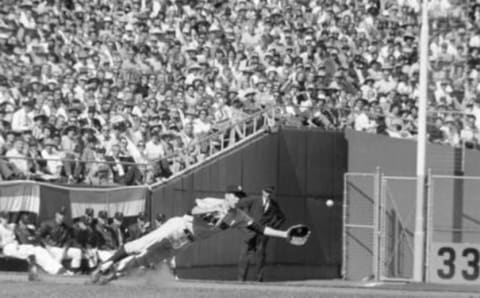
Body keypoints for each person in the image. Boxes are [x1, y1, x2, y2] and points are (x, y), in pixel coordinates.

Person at [90, 185, 309, 285]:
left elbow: (259, 229)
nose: (237, 199)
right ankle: (106, 265)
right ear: (228, 195)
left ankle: (113, 276)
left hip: (185, 241)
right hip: (178, 226)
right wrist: (210, 212)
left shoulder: (239, 215)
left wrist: (284, 234)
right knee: (141, 244)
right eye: (235, 196)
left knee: (147, 259)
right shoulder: (216, 202)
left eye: (240, 196)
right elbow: (191, 210)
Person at [0, 211, 72, 280]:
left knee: (37, 249)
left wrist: (16, 242)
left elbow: (23, 228)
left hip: (16, 246)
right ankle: (39, 272)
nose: (6, 219)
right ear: (0, 218)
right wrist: (7, 242)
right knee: (31, 252)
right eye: (4, 217)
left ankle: (59, 269)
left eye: (7, 217)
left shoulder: (11, 226)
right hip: (8, 248)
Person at [237, 186, 286, 282]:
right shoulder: (254, 199)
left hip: (263, 234)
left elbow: (282, 217)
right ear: (262, 191)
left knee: (260, 255)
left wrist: (272, 228)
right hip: (250, 231)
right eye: (266, 191)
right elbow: (239, 204)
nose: (268, 193)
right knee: (244, 255)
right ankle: (240, 279)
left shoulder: (273, 204)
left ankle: (259, 279)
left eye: (270, 192)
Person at [36, 207, 82, 273]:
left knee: (77, 252)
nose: (62, 217)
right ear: (56, 214)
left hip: (60, 249)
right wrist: (46, 246)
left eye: (63, 215)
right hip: (50, 248)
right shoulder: (47, 223)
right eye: (60, 214)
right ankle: (57, 273)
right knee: (59, 253)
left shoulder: (65, 227)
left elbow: (69, 240)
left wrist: (65, 248)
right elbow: (38, 236)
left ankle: (73, 273)